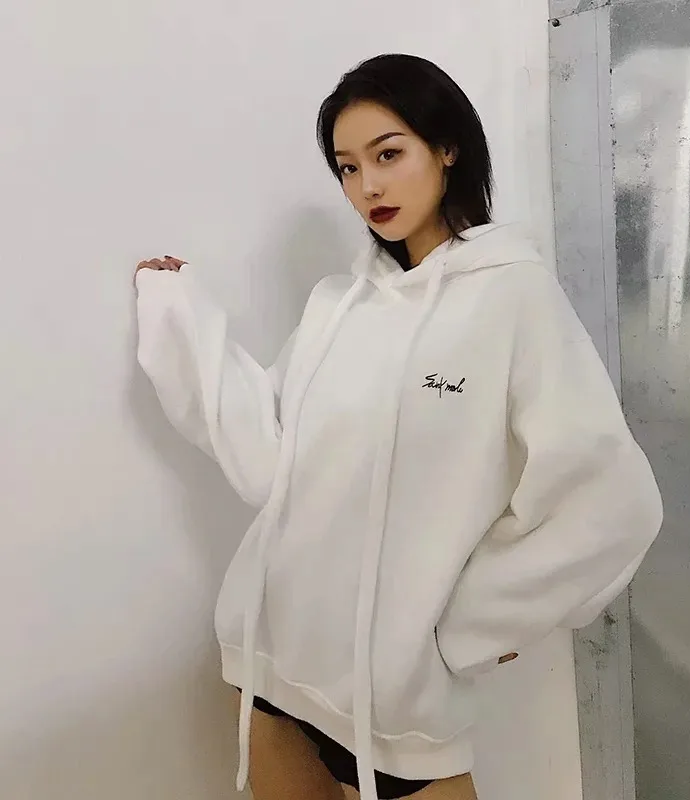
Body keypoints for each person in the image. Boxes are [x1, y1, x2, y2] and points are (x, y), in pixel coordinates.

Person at [134, 54, 663, 800]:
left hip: (395, 700)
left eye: (388, 154)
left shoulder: (514, 298)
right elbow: (269, 456)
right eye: (348, 168)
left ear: (446, 148)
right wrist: (178, 315)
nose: (368, 187)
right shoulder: (337, 305)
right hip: (269, 657)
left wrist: (470, 627)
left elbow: (609, 501)